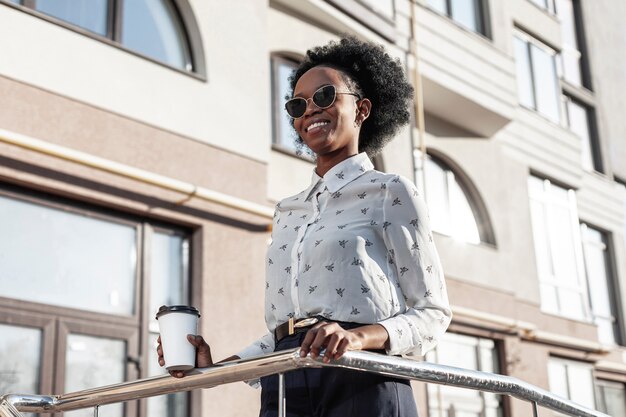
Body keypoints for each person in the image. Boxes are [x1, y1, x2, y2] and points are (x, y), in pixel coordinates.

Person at [157, 36, 452, 416]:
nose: (311, 109)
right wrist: (214, 369)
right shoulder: (288, 210)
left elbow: (433, 312)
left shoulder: (390, 191)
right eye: (299, 104)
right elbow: (288, 328)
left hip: (362, 377)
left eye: (325, 96)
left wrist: (356, 338)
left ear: (361, 109)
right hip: (284, 380)